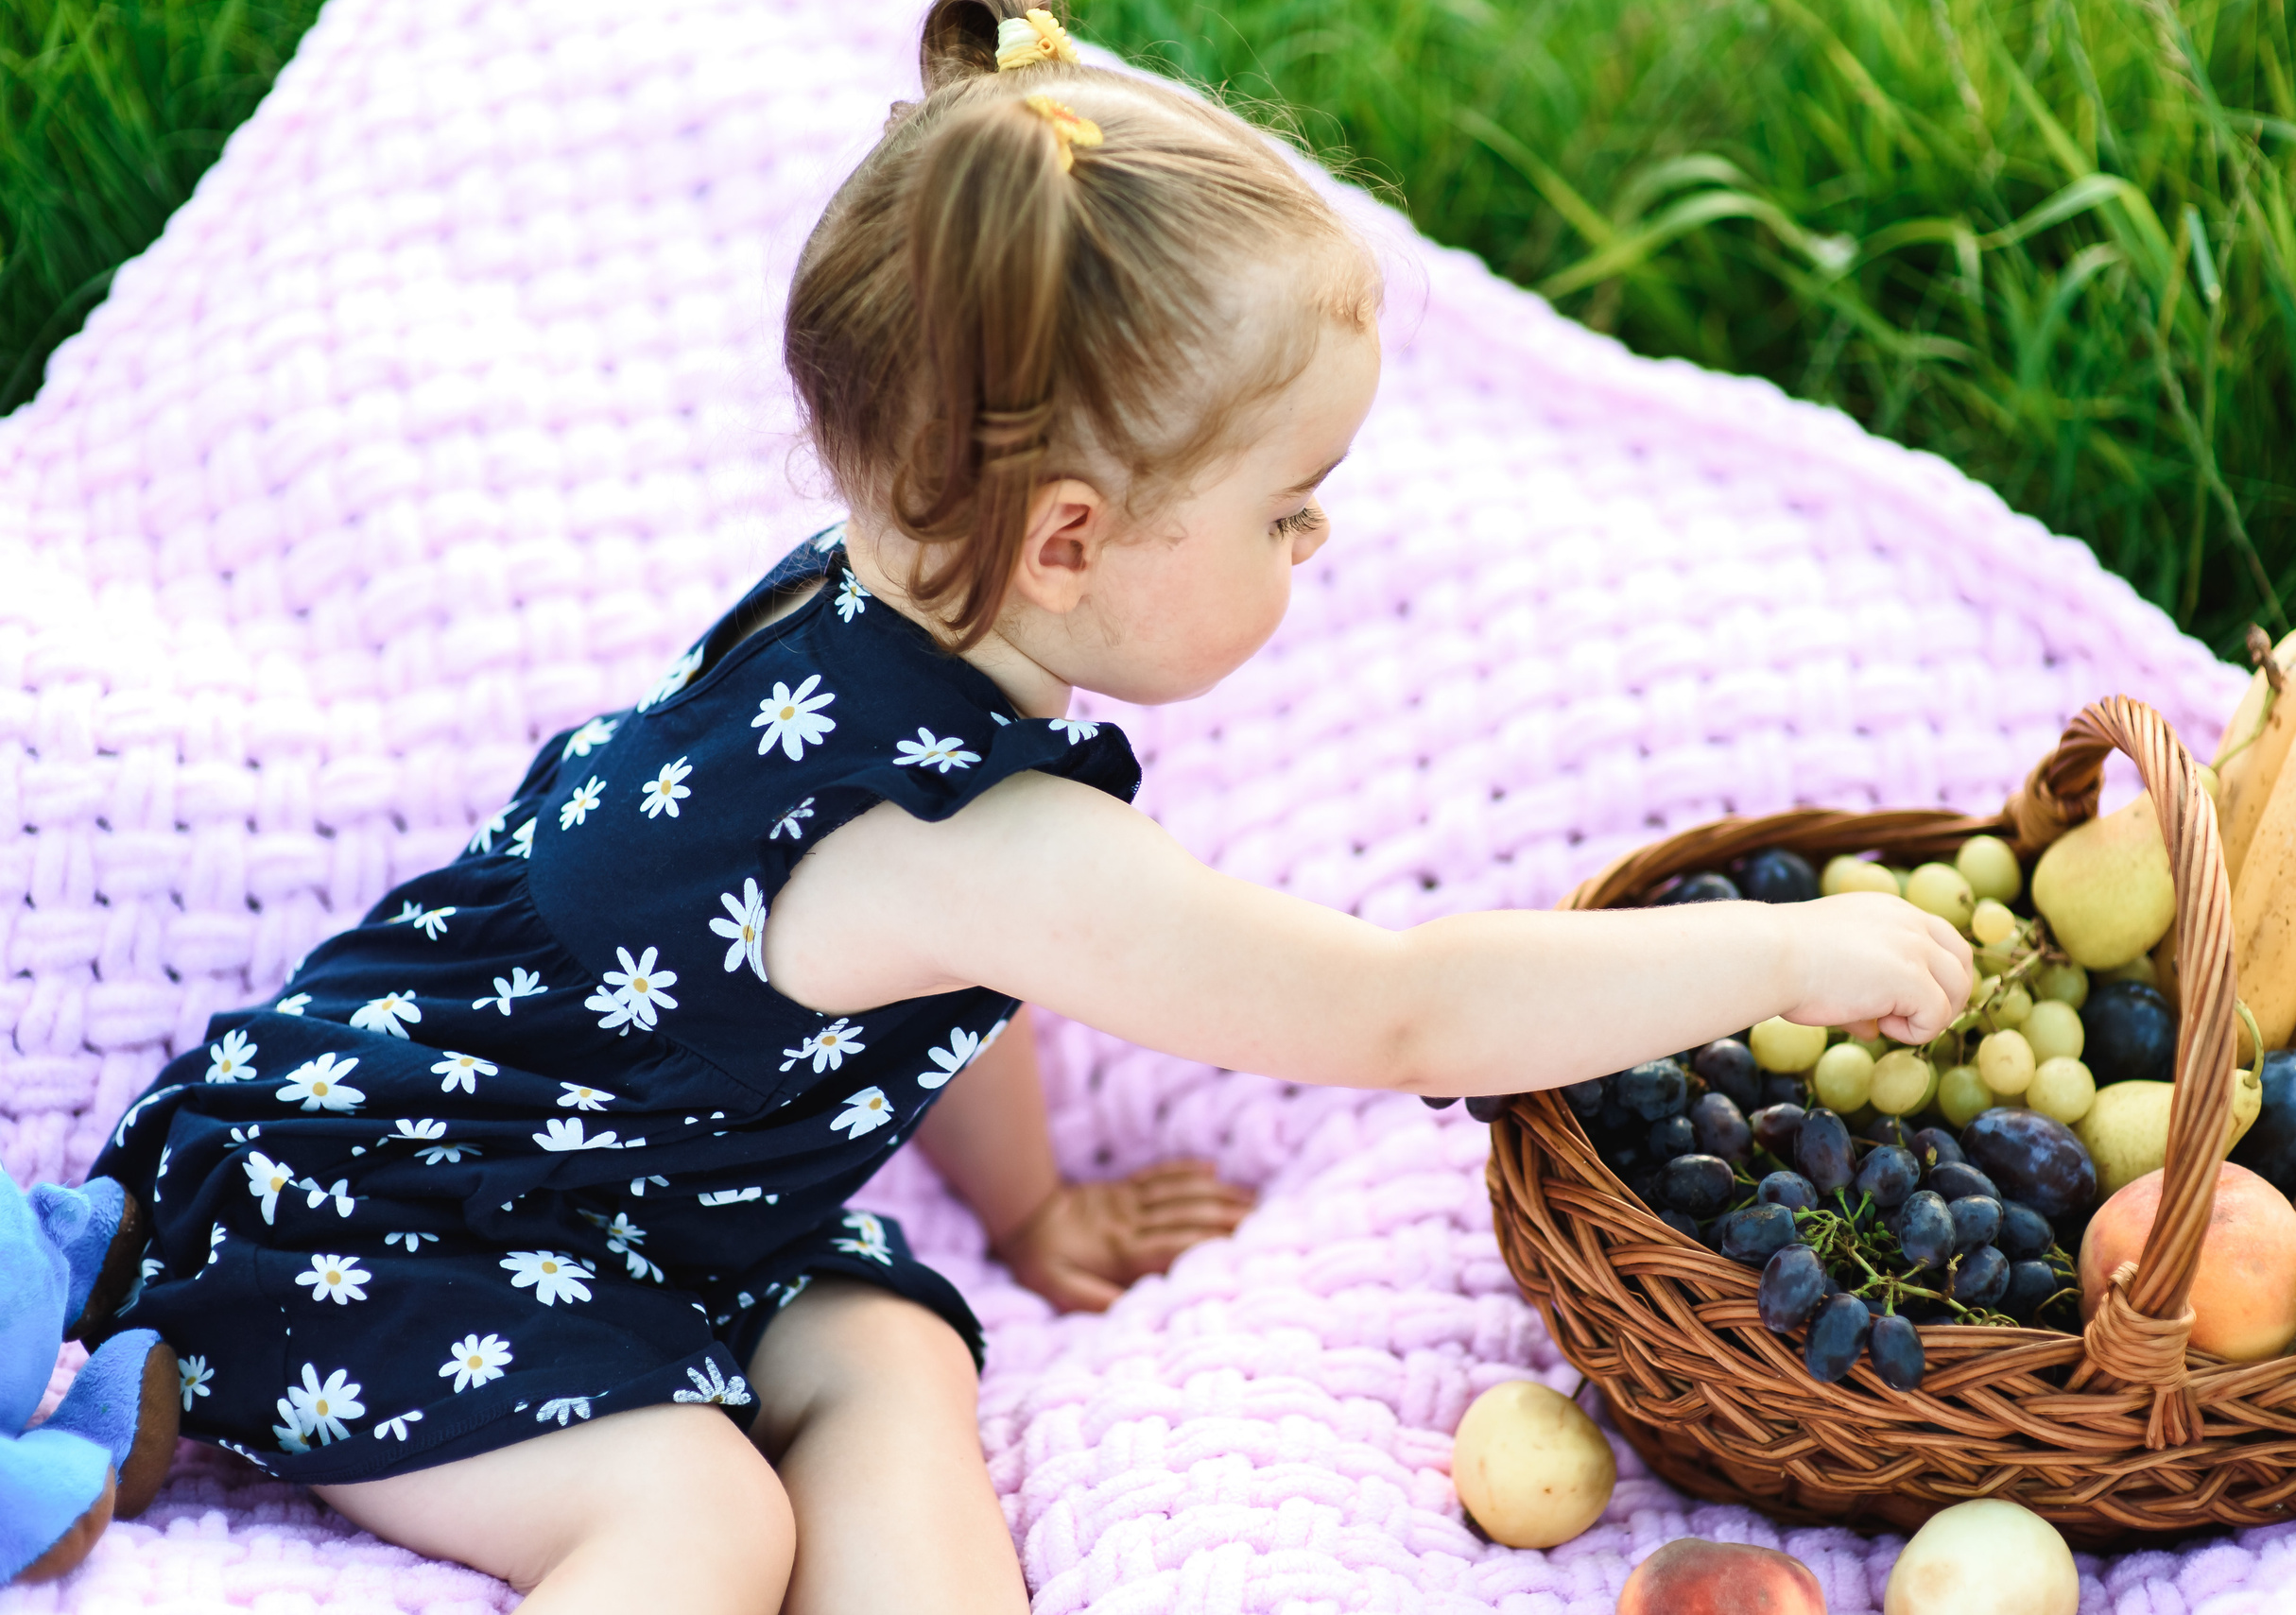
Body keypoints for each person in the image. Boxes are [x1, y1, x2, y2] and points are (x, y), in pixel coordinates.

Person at [80, 4, 1971, 1609]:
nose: (1317, 542)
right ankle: (197, 1379)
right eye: (1284, 510)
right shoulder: (989, 841)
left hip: (649, 1195)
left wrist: (1029, 1200)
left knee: (894, 1342)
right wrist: (1774, 948)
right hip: (376, 1225)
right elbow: (1398, 1011)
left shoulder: (860, 625)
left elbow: (916, 989)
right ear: (1070, 539)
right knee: (697, 1512)